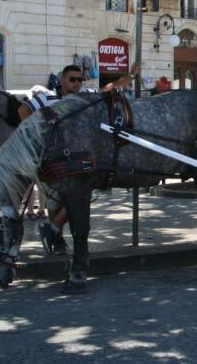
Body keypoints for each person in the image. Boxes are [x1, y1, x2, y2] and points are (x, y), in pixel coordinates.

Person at [22, 64, 139, 255]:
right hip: (53, 162)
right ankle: (57, 239)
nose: (77, 83)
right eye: (72, 79)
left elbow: (109, 88)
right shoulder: (46, 98)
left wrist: (131, 76)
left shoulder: (85, 95)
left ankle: (52, 231)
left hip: (77, 161)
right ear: (61, 79)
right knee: (53, 202)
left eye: (79, 79)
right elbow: (23, 111)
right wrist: (38, 132)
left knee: (78, 195)